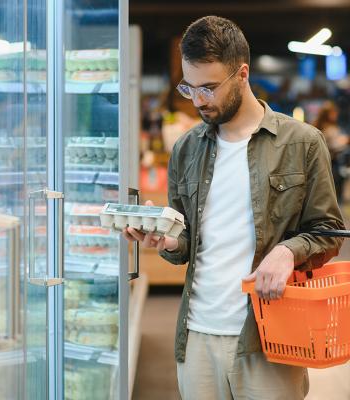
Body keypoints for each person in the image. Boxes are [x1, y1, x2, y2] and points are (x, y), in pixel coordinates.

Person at [123, 16, 345, 400]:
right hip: (196, 338)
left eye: (209, 88)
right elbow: (186, 243)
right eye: (189, 88)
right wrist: (168, 241)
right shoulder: (186, 148)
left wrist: (286, 251)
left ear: (242, 74)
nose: (197, 101)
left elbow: (327, 233)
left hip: (269, 340)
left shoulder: (302, 143)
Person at [313, 100, 349, 203]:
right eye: (333, 112)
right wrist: (346, 140)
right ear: (328, 114)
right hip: (330, 163)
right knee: (333, 191)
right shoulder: (329, 128)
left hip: (320, 162)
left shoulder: (317, 126)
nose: (336, 115)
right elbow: (336, 145)